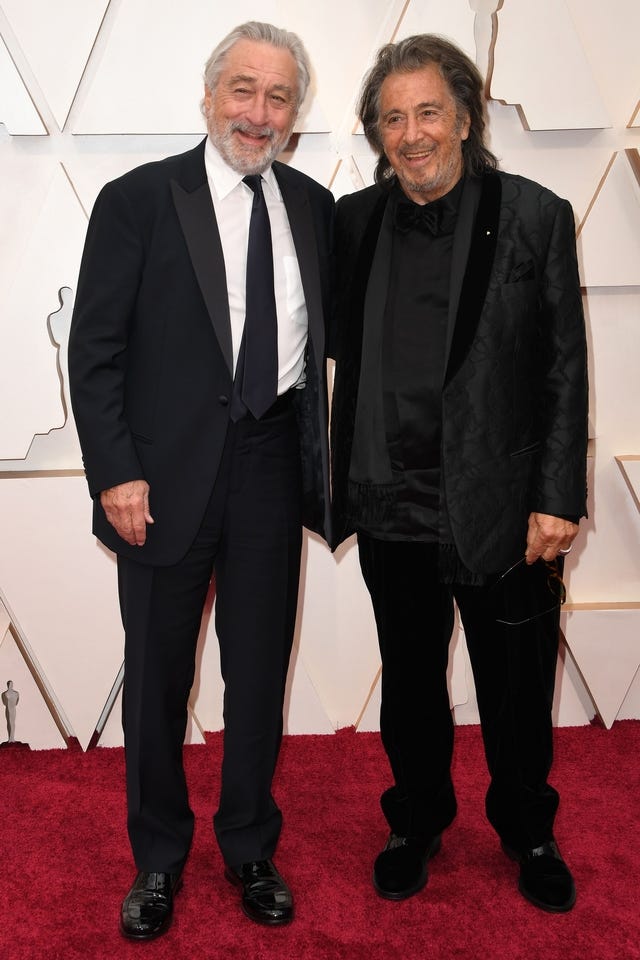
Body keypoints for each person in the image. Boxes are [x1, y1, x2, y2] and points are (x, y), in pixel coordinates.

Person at [69, 21, 333, 940]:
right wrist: (116, 473)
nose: (258, 113)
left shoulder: (314, 208)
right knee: (156, 679)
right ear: (210, 96)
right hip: (161, 479)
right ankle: (157, 857)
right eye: (243, 90)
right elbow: (95, 351)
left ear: (295, 114)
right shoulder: (138, 200)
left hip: (271, 465)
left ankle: (250, 846)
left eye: (278, 97)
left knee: (258, 674)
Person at [330, 34, 587, 913]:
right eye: (393, 118)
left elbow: (563, 367)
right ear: (377, 133)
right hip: (389, 496)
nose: (412, 134)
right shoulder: (354, 222)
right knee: (408, 684)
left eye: (429, 112)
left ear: (467, 118)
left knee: (515, 687)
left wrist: (557, 496)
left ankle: (529, 830)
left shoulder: (535, 215)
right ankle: (415, 821)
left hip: (501, 505)